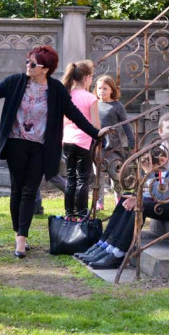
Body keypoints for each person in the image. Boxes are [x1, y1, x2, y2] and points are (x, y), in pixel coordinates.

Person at [0, 45, 104, 259]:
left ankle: (21, 237)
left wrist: (96, 132)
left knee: (30, 190)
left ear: (45, 69)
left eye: (32, 63)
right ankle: (18, 231)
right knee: (17, 190)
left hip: (41, 148)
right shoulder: (16, 82)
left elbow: (74, 114)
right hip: (15, 144)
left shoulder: (56, 89)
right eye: (27, 61)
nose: (27, 66)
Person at [75, 144, 169, 270]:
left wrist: (149, 175)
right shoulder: (166, 161)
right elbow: (160, 193)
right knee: (127, 197)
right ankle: (105, 245)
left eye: (151, 168)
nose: (151, 171)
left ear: (163, 159)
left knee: (141, 205)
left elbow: (160, 196)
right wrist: (135, 196)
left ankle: (119, 253)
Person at [61, 60, 100, 218]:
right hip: (83, 141)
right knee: (83, 179)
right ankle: (82, 212)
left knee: (70, 178)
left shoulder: (66, 94)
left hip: (67, 139)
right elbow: (96, 125)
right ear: (87, 77)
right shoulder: (90, 98)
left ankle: (69, 212)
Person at [95, 75, 134, 204]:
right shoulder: (93, 104)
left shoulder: (117, 106)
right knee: (98, 174)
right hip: (97, 145)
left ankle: (118, 197)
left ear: (112, 89)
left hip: (113, 146)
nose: (102, 91)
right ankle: (99, 201)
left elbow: (127, 126)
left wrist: (131, 143)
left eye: (105, 88)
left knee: (115, 173)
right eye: (99, 88)